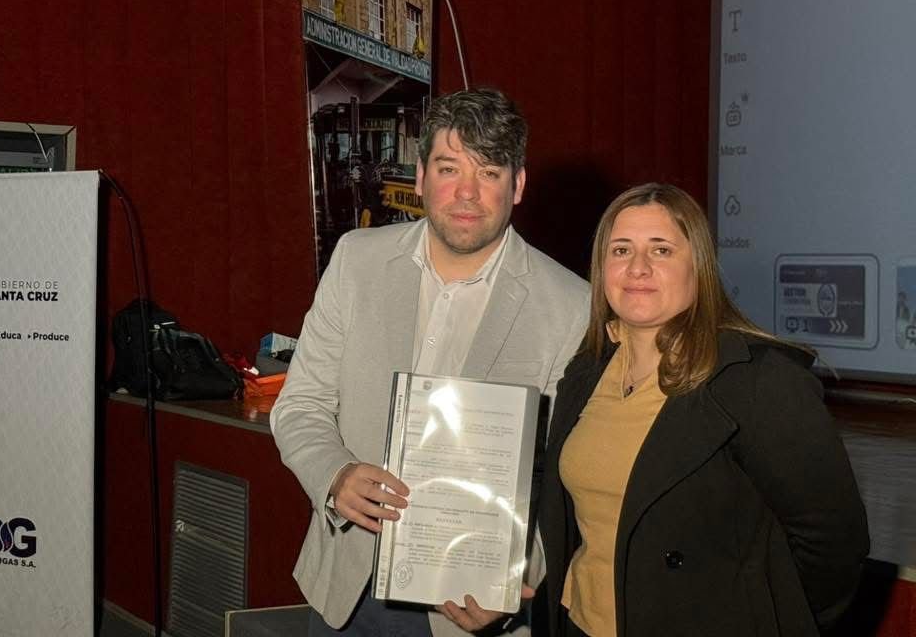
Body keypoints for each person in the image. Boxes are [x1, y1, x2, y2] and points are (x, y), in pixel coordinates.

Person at [271, 88, 590, 637]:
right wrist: (335, 474)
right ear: (419, 177)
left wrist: (513, 577)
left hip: (467, 606)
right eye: (448, 168)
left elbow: (569, 477)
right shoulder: (356, 261)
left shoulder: (571, 305)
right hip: (348, 587)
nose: (467, 192)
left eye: (488, 172)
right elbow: (300, 405)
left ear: (517, 185)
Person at [537, 183, 869, 637]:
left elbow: (834, 543)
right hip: (580, 624)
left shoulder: (758, 380)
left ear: (698, 267)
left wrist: (767, 620)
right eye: (621, 250)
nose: (637, 267)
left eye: (661, 250)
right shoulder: (588, 369)